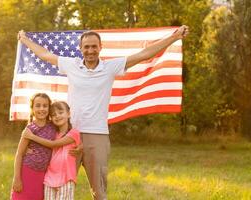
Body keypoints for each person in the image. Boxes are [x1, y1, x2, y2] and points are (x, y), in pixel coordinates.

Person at [17, 25, 189, 200]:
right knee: (60, 185)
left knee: (99, 191)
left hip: (97, 136)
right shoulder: (71, 65)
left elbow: (144, 54)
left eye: (94, 46)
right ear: (80, 48)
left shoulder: (111, 67)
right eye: (86, 47)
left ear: (100, 48)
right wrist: (24, 40)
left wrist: (174, 38)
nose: (90, 50)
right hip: (69, 135)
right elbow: (45, 55)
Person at [22, 101, 81, 200]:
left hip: (66, 178)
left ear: (69, 114)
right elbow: (43, 140)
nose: (57, 116)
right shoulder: (52, 133)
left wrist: (32, 137)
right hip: (49, 178)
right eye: (53, 115)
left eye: (61, 112)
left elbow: (53, 144)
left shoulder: (73, 133)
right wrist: (29, 148)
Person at [11, 93, 56, 200]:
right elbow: (19, 154)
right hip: (27, 172)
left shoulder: (53, 126)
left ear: (49, 108)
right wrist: (17, 178)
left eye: (45, 106)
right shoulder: (29, 129)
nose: (42, 109)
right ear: (32, 108)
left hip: (44, 175)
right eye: (38, 105)